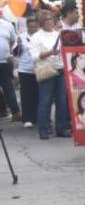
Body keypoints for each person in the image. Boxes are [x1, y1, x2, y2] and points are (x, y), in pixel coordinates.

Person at [30, 10, 70, 139]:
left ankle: (62, 128)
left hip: (61, 70)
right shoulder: (36, 37)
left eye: (50, 19)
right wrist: (50, 53)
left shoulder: (59, 34)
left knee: (62, 101)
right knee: (45, 101)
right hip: (47, 71)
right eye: (45, 20)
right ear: (41, 22)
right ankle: (43, 129)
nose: (49, 21)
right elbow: (34, 56)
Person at [15, 17, 37, 127]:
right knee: (26, 94)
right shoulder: (21, 37)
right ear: (27, 26)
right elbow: (15, 53)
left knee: (37, 94)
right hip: (25, 69)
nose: (32, 28)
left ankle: (37, 116)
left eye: (34, 26)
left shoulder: (39, 36)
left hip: (38, 69)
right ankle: (27, 118)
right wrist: (18, 44)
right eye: (30, 26)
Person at [0, 10, 19, 121]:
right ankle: (2, 110)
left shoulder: (7, 25)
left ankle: (15, 112)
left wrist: (9, 53)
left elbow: (13, 40)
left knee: (8, 88)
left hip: (5, 62)